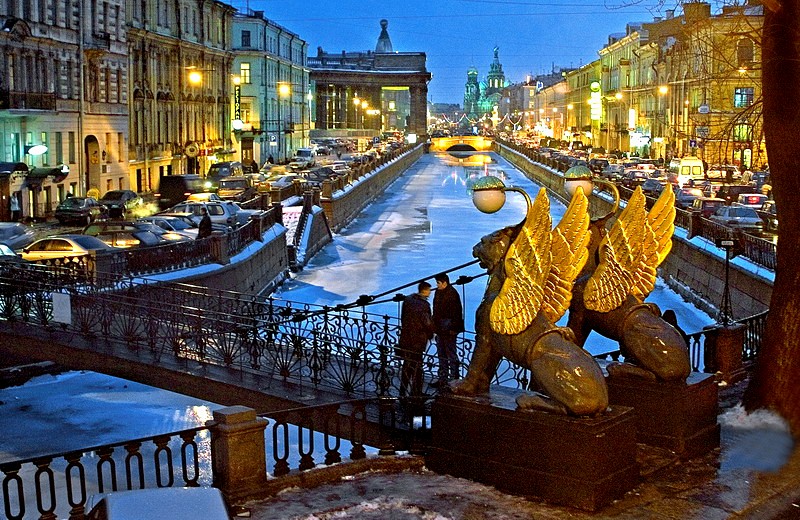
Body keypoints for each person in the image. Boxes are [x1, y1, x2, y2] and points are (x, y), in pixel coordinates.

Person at [397, 281, 434, 398]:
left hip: (406, 338)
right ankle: (416, 393)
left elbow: (403, 318)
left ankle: (402, 391)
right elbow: (427, 323)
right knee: (418, 367)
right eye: (429, 290)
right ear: (425, 291)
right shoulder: (424, 305)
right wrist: (431, 334)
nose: (430, 293)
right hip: (418, 340)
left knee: (407, 366)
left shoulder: (407, 300)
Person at [432, 273, 464, 386]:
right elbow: (435, 311)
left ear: (445, 283)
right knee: (441, 354)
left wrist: (453, 329)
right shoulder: (438, 292)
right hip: (440, 328)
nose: (437, 285)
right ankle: (443, 378)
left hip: (449, 329)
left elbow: (457, 313)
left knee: (451, 354)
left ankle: (454, 379)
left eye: (438, 283)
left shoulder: (452, 294)